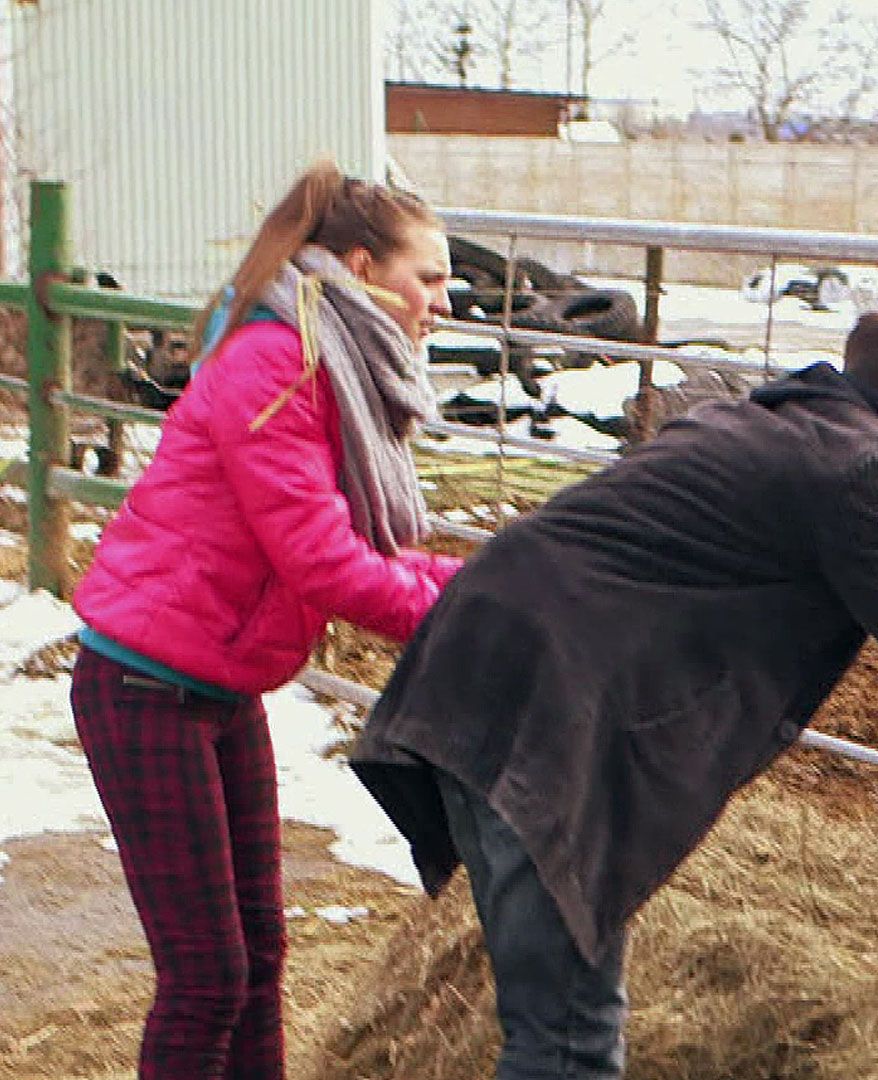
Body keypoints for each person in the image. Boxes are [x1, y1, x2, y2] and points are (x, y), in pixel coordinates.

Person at [350, 291, 878, 1079]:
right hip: (539, 718)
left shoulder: (784, 422)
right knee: (566, 1037)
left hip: (476, 674)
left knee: (562, 1020)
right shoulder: (855, 476)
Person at [69, 161, 463, 1078]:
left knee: (258, 959)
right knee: (207, 976)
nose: (444, 302)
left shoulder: (332, 365)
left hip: (215, 680)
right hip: (143, 683)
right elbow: (323, 563)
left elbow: (356, 540)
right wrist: (467, 620)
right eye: (430, 278)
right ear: (361, 269)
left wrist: (487, 585)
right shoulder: (275, 363)